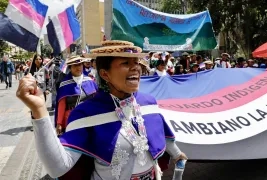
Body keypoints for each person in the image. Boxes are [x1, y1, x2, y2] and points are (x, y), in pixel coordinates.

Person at [16, 40, 187, 180]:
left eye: (137, 62)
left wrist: (177, 153)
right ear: (105, 74)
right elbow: (57, 168)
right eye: (126, 63)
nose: (136, 67)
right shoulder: (86, 113)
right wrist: (39, 110)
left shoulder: (149, 102)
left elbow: (160, 133)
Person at [55, 56, 98, 135]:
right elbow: (61, 105)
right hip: (71, 118)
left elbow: (97, 100)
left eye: (80, 65)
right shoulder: (64, 84)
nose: (78, 68)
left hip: (89, 117)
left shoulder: (90, 81)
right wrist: (59, 123)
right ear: (70, 68)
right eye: (75, 65)